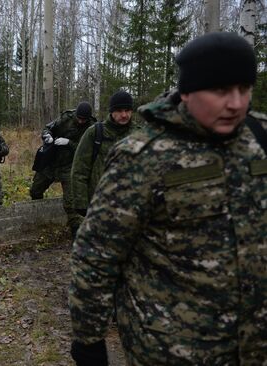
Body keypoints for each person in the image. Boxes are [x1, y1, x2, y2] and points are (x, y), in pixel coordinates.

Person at [69, 32, 267, 366]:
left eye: (244, 89)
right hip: (174, 350)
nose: (235, 103)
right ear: (187, 92)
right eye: (220, 91)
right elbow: (96, 256)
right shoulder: (142, 157)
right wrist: (88, 341)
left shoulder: (260, 137)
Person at [29, 102, 95, 237]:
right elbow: (48, 128)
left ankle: (76, 232)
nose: (81, 121)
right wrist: (47, 136)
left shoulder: (92, 127)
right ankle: (37, 219)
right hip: (51, 162)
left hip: (69, 166)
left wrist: (69, 143)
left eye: (84, 119)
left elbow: (88, 151)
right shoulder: (66, 118)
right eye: (79, 118)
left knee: (71, 201)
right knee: (35, 190)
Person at [71, 91, 135, 221]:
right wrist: (81, 203)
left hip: (131, 207)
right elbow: (79, 170)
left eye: (127, 110)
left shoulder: (140, 134)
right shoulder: (95, 133)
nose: (124, 115)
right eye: (119, 110)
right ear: (111, 111)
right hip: (99, 205)